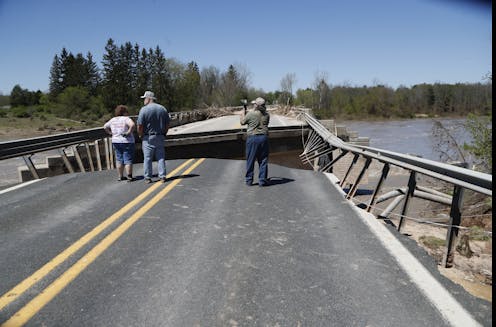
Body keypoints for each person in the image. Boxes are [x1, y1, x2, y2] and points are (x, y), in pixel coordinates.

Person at [136, 91, 171, 183]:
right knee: (160, 157)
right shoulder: (162, 109)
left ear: (148, 98)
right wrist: (164, 133)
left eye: (144, 98)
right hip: (159, 136)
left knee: (147, 158)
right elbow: (167, 124)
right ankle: (162, 176)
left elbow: (140, 125)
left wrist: (140, 134)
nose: (144, 100)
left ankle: (148, 177)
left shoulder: (144, 109)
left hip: (148, 137)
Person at [240, 97, 270, 186]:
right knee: (263, 160)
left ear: (256, 105)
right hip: (264, 138)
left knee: (250, 159)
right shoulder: (267, 115)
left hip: (253, 138)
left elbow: (242, 122)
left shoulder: (250, 114)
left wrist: (242, 114)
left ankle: (249, 180)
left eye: (254, 104)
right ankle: (262, 180)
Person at [103, 105, 136, 182]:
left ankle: (120, 176)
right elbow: (132, 125)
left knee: (119, 158)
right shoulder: (126, 119)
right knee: (128, 158)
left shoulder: (112, 120)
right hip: (126, 141)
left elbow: (105, 127)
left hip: (116, 141)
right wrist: (128, 132)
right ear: (124, 112)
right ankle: (129, 176)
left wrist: (110, 133)